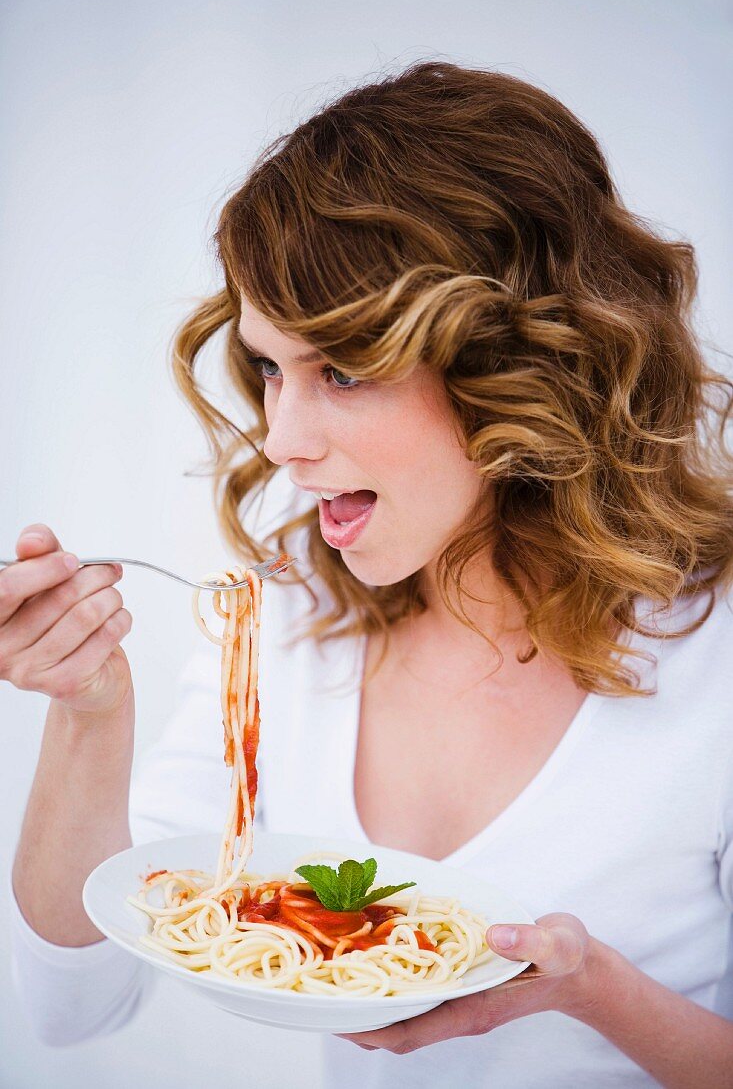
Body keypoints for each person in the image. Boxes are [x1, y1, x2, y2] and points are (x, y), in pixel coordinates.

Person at [6, 59, 733, 1088]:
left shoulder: (712, 646)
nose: (282, 437)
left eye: (341, 370)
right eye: (268, 367)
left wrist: (592, 988)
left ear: (519, 367)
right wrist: (88, 711)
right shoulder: (284, 616)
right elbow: (77, 1003)